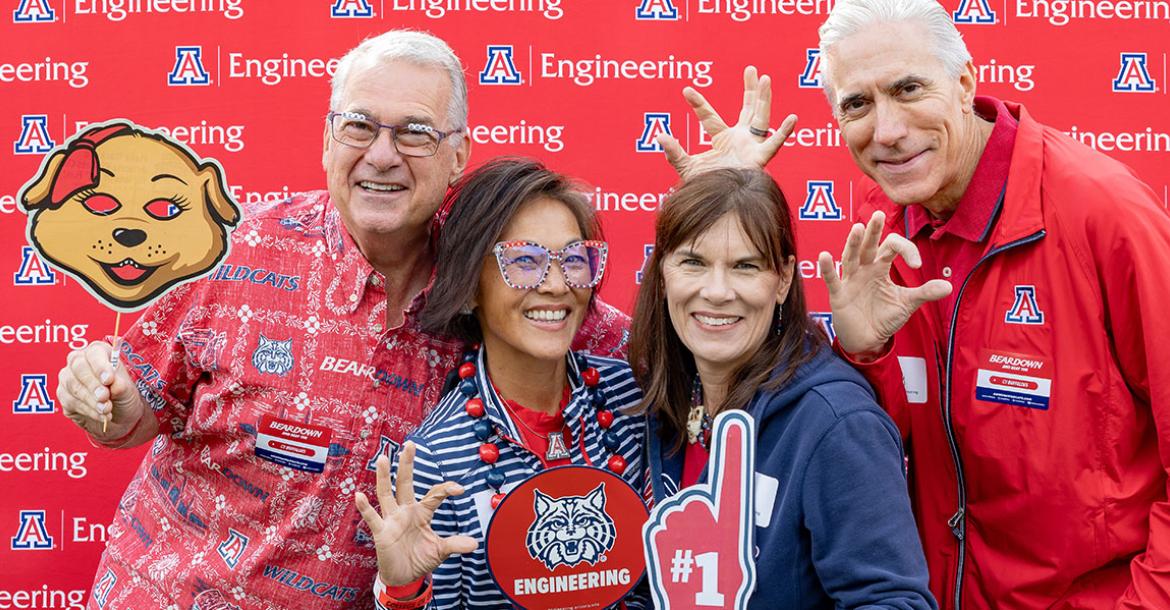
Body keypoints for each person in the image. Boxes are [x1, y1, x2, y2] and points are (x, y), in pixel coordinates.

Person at [52, 31, 628, 610]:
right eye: (359, 127)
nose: (381, 155)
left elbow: (663, 343)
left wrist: (720, 186)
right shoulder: (232, 251)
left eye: (414, 133)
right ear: (328, 140)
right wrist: (107, 404)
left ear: (458, 155)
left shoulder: (497, 277)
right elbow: (131, 419)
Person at [804, 0, 1170, 607]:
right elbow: (882, 455)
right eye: (857, 104)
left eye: (908, 88)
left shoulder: (1102, 212)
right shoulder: (881, 219)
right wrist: (864, 353)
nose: (887, 130)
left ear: (966, 82)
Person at [631, 168, 937, 609]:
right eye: (693, 262)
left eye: (745, 266)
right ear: (662, 274)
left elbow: (894, 602)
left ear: (783, 279)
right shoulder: (658, 404)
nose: (716, 292)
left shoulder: (835, 422)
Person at [353, 158, 647, 608]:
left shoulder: (632, 399)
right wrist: (403, 591)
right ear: (470, 287)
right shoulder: (435, 463)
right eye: (524, 262)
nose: (556, 285)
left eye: (574, 259)